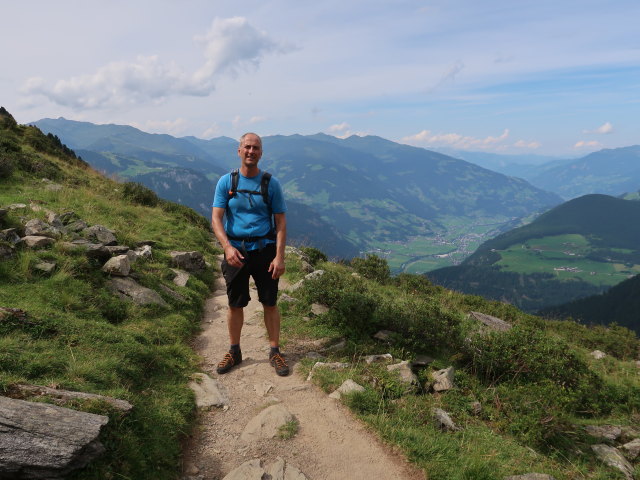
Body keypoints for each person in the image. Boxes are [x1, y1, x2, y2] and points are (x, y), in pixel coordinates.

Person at [211, 132, 289, 376]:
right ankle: (234, 351)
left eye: (255, 148)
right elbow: (216, 218)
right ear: (239, 150)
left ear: (261, 153)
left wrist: (279, 257)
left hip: (265, 251)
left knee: (270, 302)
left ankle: (275, 351)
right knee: (235, 304)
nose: (251, 152)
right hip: (236, 252)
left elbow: (281, 222)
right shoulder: (226, 182)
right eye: (247, 147)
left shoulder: (270, 184)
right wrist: (226, 247)